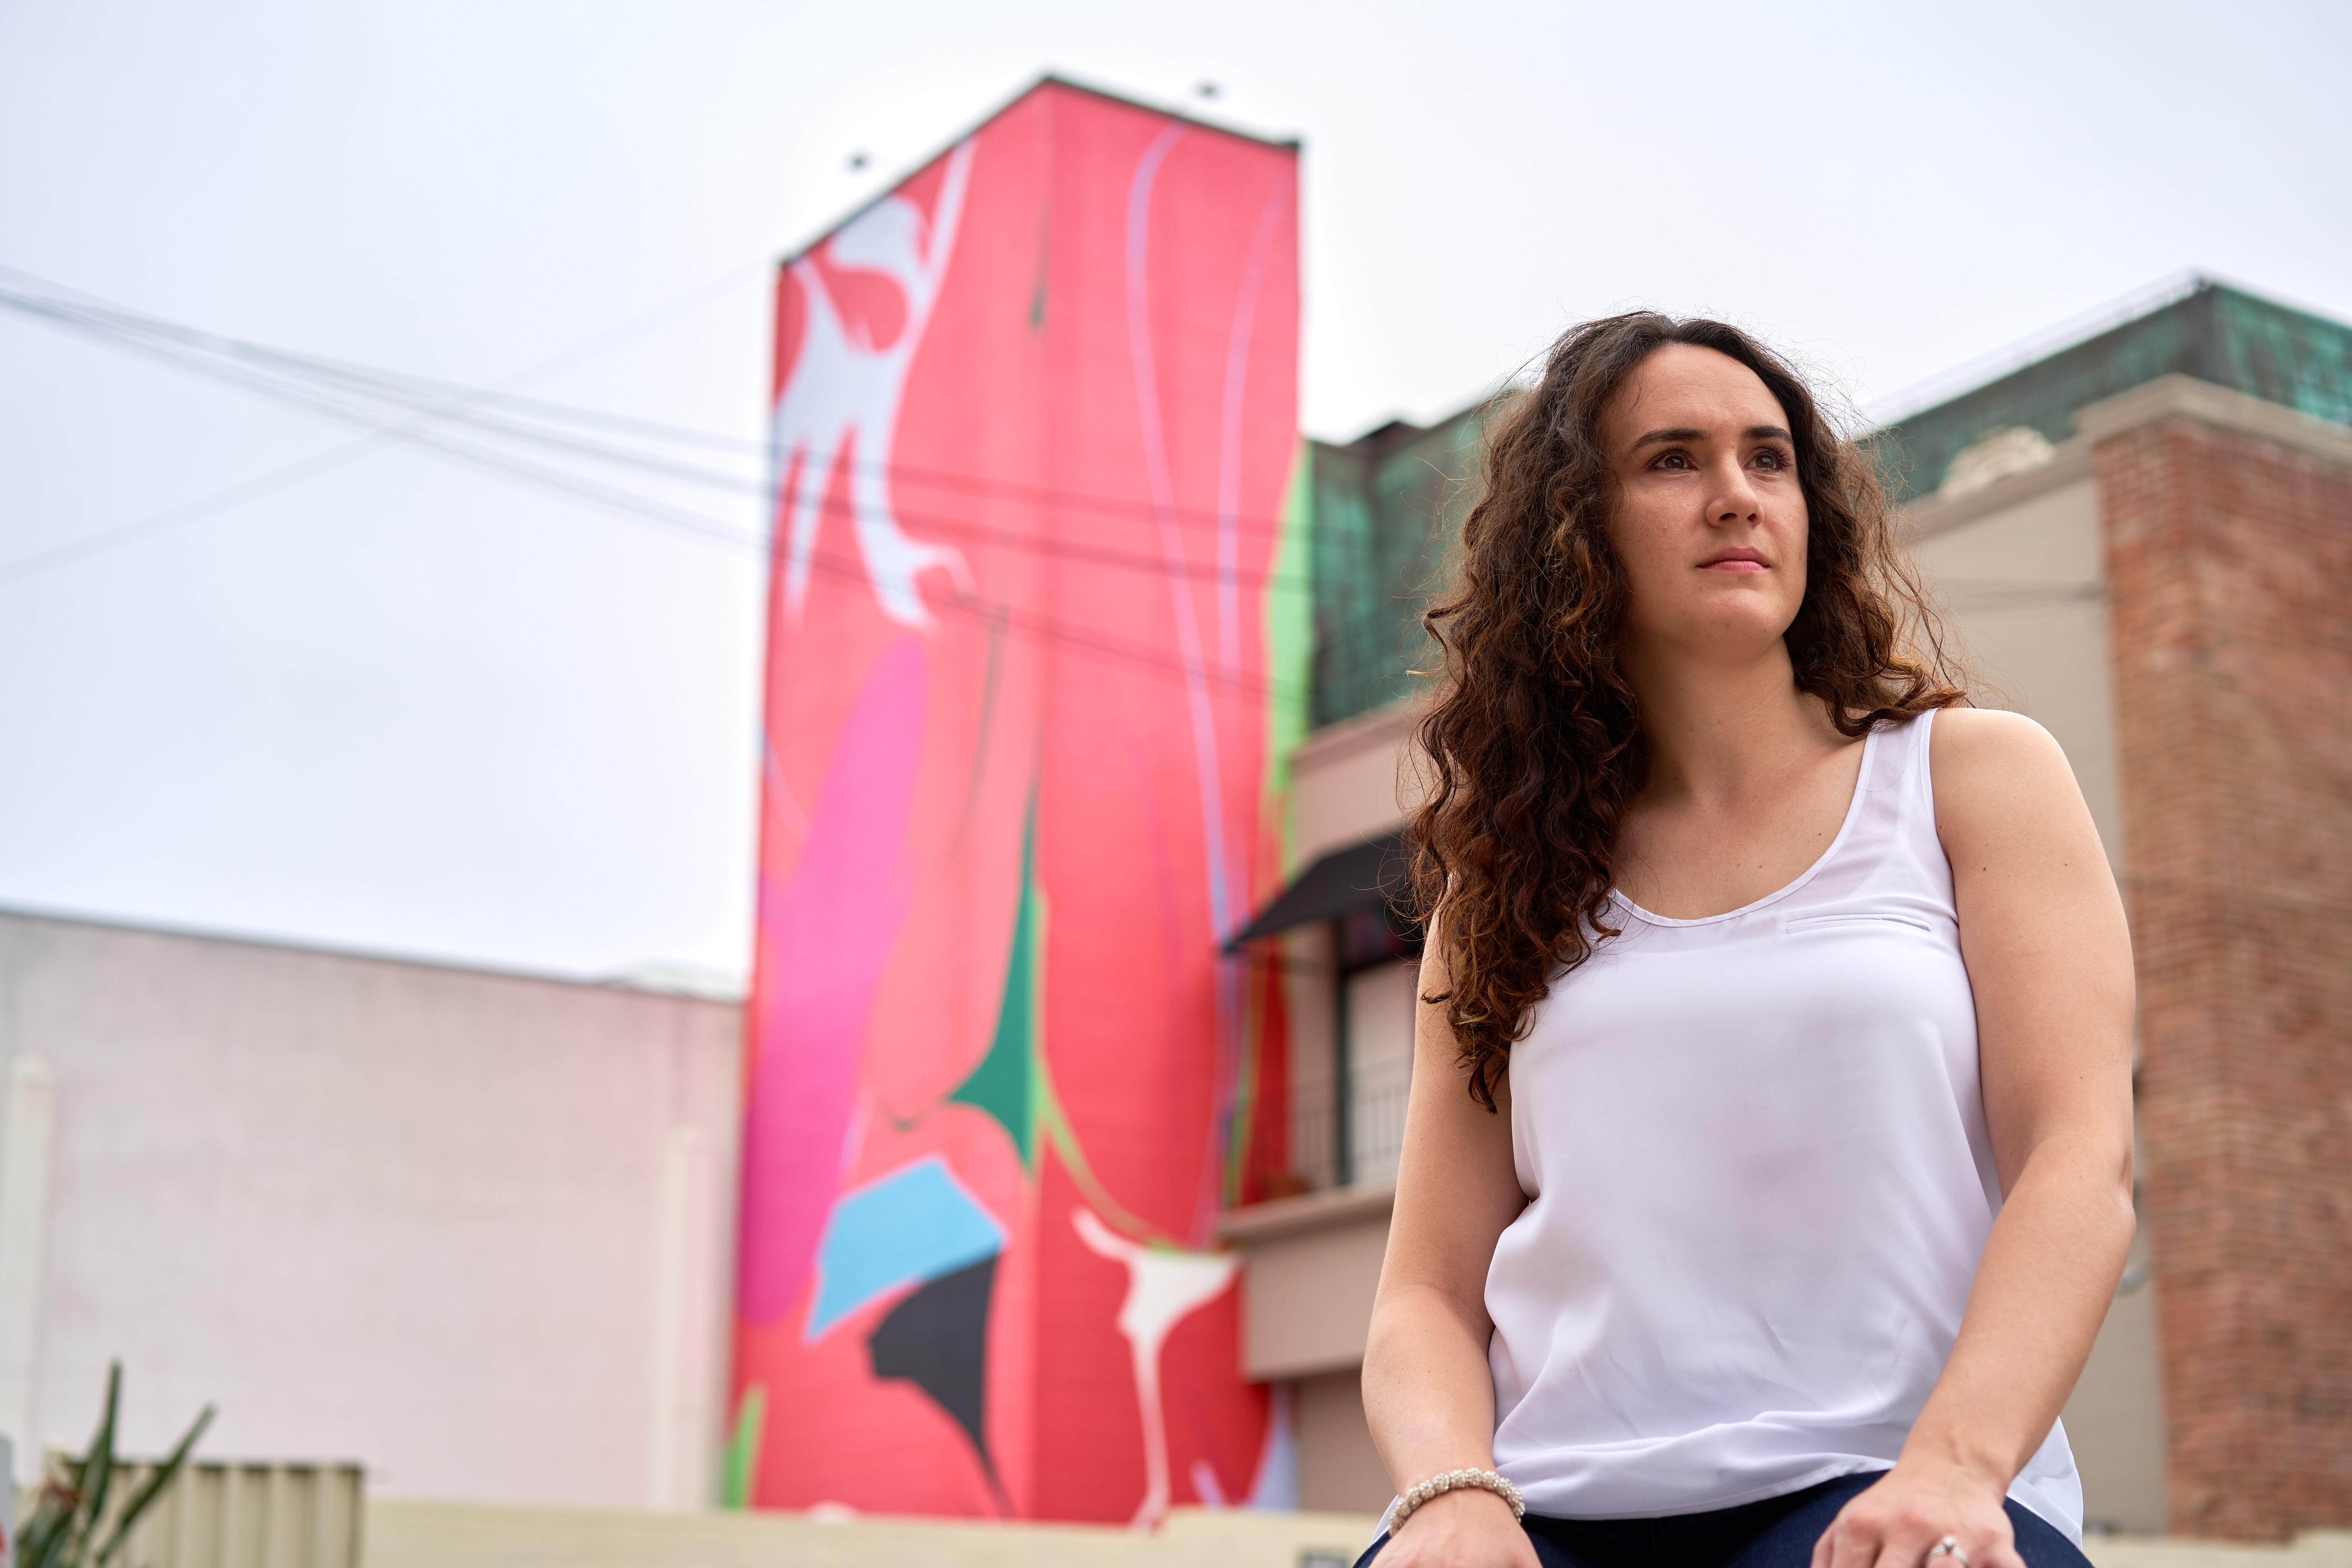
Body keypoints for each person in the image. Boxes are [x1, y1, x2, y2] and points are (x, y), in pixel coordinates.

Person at [1359, 314, 2136, 1568]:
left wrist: (1956, 1466)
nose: (1737, 495)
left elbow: (2078, 1162)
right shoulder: (1503, 886)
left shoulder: (1971, 779)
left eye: (1768, 459)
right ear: (1572, 531)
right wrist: (1452, 1495)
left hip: (1891, 1485)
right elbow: (1425, 1295)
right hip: (1553, 1515)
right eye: (1673, 459)